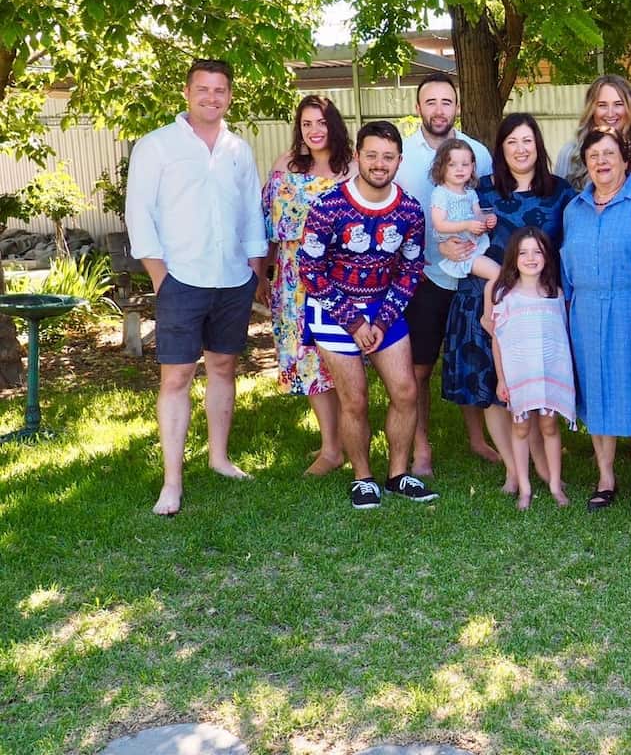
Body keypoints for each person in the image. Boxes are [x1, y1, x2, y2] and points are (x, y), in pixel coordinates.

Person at [125, 58, 266, 516]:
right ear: (187, 93)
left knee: (224, 367)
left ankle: (220, 458)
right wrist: (159, 274)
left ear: (229, 95)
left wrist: (254, 268)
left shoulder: (238, 150)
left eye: (220, 89)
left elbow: (251, 212)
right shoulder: (157, 146)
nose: (211, 97)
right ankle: (172, 482)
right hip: (180, 278)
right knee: (178, 377)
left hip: (232, 279)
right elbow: (138, 213)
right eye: (202, 89)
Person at [298, 120, 435, 509]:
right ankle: (362, 478)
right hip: (334, 310)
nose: (379, 163)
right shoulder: (328, 206)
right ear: (357, 156)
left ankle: (398, 474)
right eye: (372, 155)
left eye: (388, 157)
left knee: (406, 391)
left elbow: (411, 269)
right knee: (354, 400)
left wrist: (383, 319)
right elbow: (310, 268)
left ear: (399, 161)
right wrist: (354, 322)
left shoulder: (408, 209)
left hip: (383, 308)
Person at [442, 113, 574, 494]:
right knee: (496, 390)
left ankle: (546, 471)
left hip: (536, 306)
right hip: (487, 299)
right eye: (512, 141)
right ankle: (514, 473)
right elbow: (451, 239)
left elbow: (568, 248)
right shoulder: (479, 192)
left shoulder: (560, 193)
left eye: (527, 141)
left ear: (539, 146)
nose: (521, 149)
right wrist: (452, 247)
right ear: (500, 149)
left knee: (534, 385)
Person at [561, 129, 631, 513]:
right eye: (593, 155)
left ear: (626, 160)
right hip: (587, 315)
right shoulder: (573, 209)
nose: (601, 161)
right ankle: (605, 477)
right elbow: (565, 273)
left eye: (609, 153)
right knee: (597, 392)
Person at [394, 72, 498, 475]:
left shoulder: (478, 152)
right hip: (424, 275)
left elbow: (482, 204)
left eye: (446, 102)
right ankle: (421, 447)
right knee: (419, 366)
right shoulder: (403, 153)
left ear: (457, 107)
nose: (439, 110)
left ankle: (476, 438)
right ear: (418, 107)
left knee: (471, 352)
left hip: (470, 272)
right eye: (430, 102)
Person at [260, 95, 354, 476]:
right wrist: (264, 270)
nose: (315, 131)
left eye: (322, 122)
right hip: (290, 278)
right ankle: (331, 447)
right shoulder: (285, 165)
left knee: (336, 359)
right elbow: (267, 219)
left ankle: (345, 441)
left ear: (335, 125)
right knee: (305, 357)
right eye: (307, 124)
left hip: (336, 277)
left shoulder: (350, 169)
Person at [488, 227, 573, 510]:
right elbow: (499, 342)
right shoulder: (505, 297)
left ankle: (554, 484)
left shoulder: (555, 294)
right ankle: (524, 487)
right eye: (523, 253)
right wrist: (501, 379)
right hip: (518, 376)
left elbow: (560, 338)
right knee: (521, 427)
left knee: (549, 425)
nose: (531, 258)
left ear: (547, 257)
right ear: (514, 258)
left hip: (550, 375)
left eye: (537, 252)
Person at [554, 75, 631, 190]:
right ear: (591, 110)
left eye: (618, 104)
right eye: (602, 105)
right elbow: (558, 202)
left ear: (630, 108)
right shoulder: (570, 153)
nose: (610, 113)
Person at [427, 139, 500, 281]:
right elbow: (439, 225)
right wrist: (467, 224)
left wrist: (488, 219)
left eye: (465, 164)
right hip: (460, 251)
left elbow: (478, 214)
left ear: (472, 166)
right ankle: (492, 304)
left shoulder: (470, 192)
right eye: (452, 165)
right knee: (496, 274)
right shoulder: (441, 193)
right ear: (441, 167)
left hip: (474, 244)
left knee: (499, 273)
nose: (459, 169)